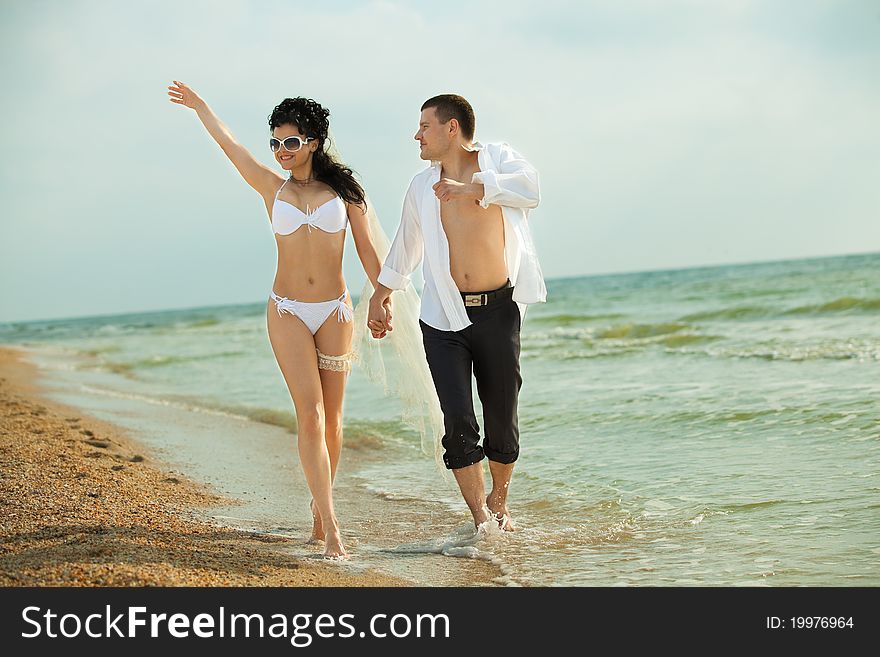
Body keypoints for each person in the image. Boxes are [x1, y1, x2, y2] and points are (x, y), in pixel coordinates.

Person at [168, 81, 390, 558]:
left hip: (335, 311)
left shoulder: (346, 192)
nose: (281, 150)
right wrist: (201, 106)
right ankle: (331, 526)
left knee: (333, 420)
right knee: (308, 415)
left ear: (312, 141)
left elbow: (369, 252)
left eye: (290, 141)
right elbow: (230, 146)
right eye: (275, 142)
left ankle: (318, 508)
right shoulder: (271, 186)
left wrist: (381, 299)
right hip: (287, 309)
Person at [367, 94, 545, 532]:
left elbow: (531, 191)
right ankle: (482, 520)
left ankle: (499, 500)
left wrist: (473, 189)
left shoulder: (499, 158)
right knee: (458, 422)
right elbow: (406, 244)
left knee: (502, 417)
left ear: (452, 128)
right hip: (443, 317)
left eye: (424, 126)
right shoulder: (420, 186)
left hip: (498, 310)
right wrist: (381, 294)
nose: (417, 135)